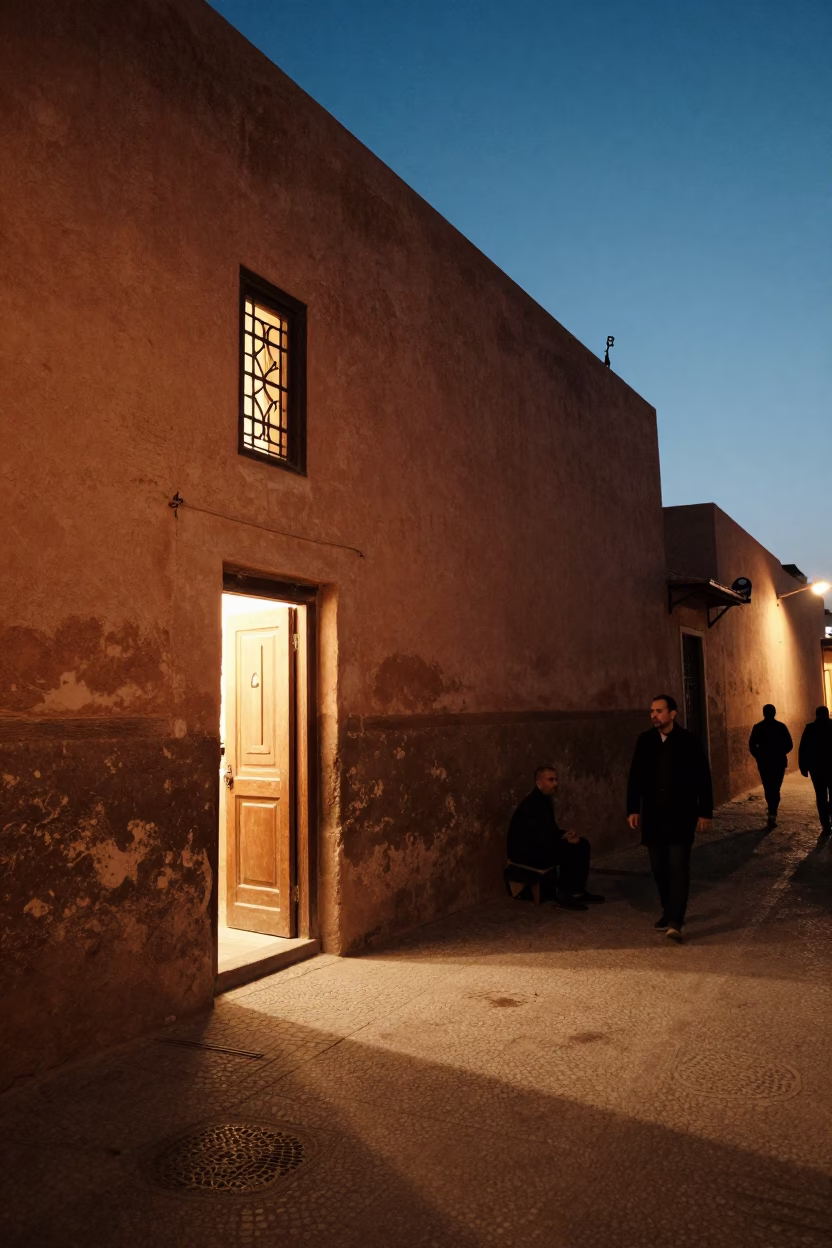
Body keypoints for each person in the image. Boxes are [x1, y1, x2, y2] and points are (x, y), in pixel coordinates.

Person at [626, 695, 713, 943]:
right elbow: (636, 776)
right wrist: (633, 808)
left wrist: (705, 812)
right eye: (652, 711)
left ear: (672, 714)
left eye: (659, 711)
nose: (654, 715)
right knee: (658, 868)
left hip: (681, 816)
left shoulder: (688, 741)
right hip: (654, 817)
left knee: (678, 867)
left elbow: (703, 777)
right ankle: (668, 910)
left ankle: (676, 920)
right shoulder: (645, 741)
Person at [506, 766, 605, 910]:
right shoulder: (532, 804)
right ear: (539, 783)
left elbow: (548, 830)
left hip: (540, 845)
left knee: (582, 844)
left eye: (556, 779)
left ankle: (578, 891)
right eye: (551, 780)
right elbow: (536, 837)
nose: (555, 783)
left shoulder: (544, 800)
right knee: (569, 849)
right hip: (526, 853)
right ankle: (564, 895)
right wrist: (564, 840)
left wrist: (565, 835)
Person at [748, 704, 793, 826]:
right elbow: (789, 744)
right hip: (778, 762)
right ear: (774, 712)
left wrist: (759, 756)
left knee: (768, 787)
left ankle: (772, 811)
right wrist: (780, 752)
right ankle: (773, 812)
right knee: (776, 787)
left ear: (764, 713)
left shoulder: (758, 727)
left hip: (764, 762)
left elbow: (752, 745)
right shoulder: (781, 727)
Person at [798, 706, 832, 835]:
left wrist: (803, 767)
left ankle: (825, 824)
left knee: (820, 796)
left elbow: (803, 748)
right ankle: (829, 816)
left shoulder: (810, 728)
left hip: (816, 768)